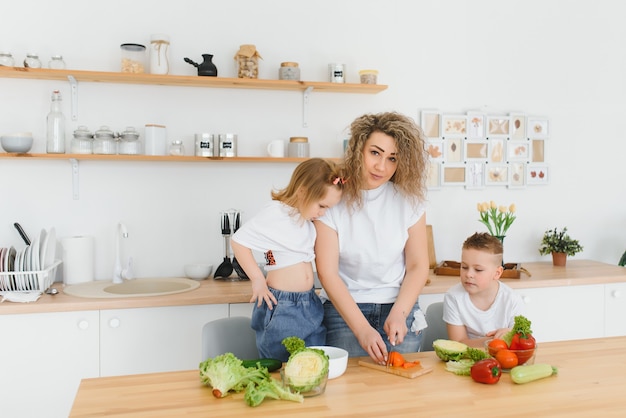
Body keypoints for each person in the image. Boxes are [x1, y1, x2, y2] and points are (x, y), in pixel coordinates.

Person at [314, 112, 431, 365]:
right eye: (375, 153)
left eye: (392, 159)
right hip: (344, 312)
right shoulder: (332, 200)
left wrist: (400, 314)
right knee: (350, 397)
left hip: (399, 308)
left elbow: (418, 266)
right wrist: (361, 329)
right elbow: (327, 273)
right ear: (358, 150)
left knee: (401, 395)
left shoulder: (409, 201)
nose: (381, 167)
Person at [231, 158, 346, 361]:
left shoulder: (306, 220)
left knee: (313, 365)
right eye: (321, 206)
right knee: (283, 365)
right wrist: (257, 280)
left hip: (309, 303)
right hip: (282, 305)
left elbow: (272, 252)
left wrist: (270, 258)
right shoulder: (276, 213)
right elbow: (239, 241)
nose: (323, 213)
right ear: (302, 192)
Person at [443, 232, 526, 348]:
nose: (469, 274)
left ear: (497, 273)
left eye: (478, 270)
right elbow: (459, 343)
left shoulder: (512, 300)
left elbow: (522, 341)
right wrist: (495, 340)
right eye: (464, 267)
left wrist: (509, 336)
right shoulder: (453, 297)